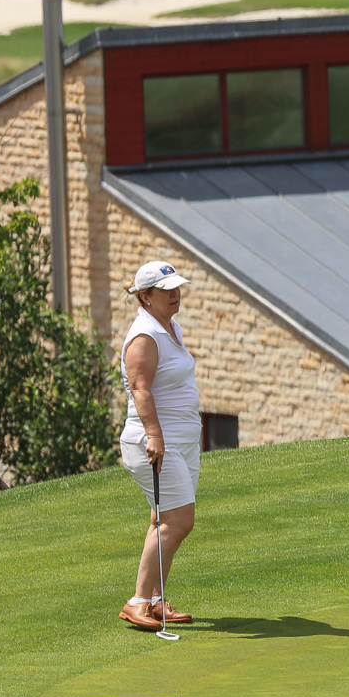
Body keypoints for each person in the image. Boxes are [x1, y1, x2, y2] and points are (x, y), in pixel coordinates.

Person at [117, 260, 201, 631]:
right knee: (179, 520)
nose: (175, 294)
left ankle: (154, 600)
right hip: (153, 442)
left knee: (162, 519)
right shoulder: (144, 338)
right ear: (145, 296)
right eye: (166, 291)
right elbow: (140, 389)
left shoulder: (170, 328)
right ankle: (137, 602)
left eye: (177, 288)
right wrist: (155, 435)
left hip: (180, 441)